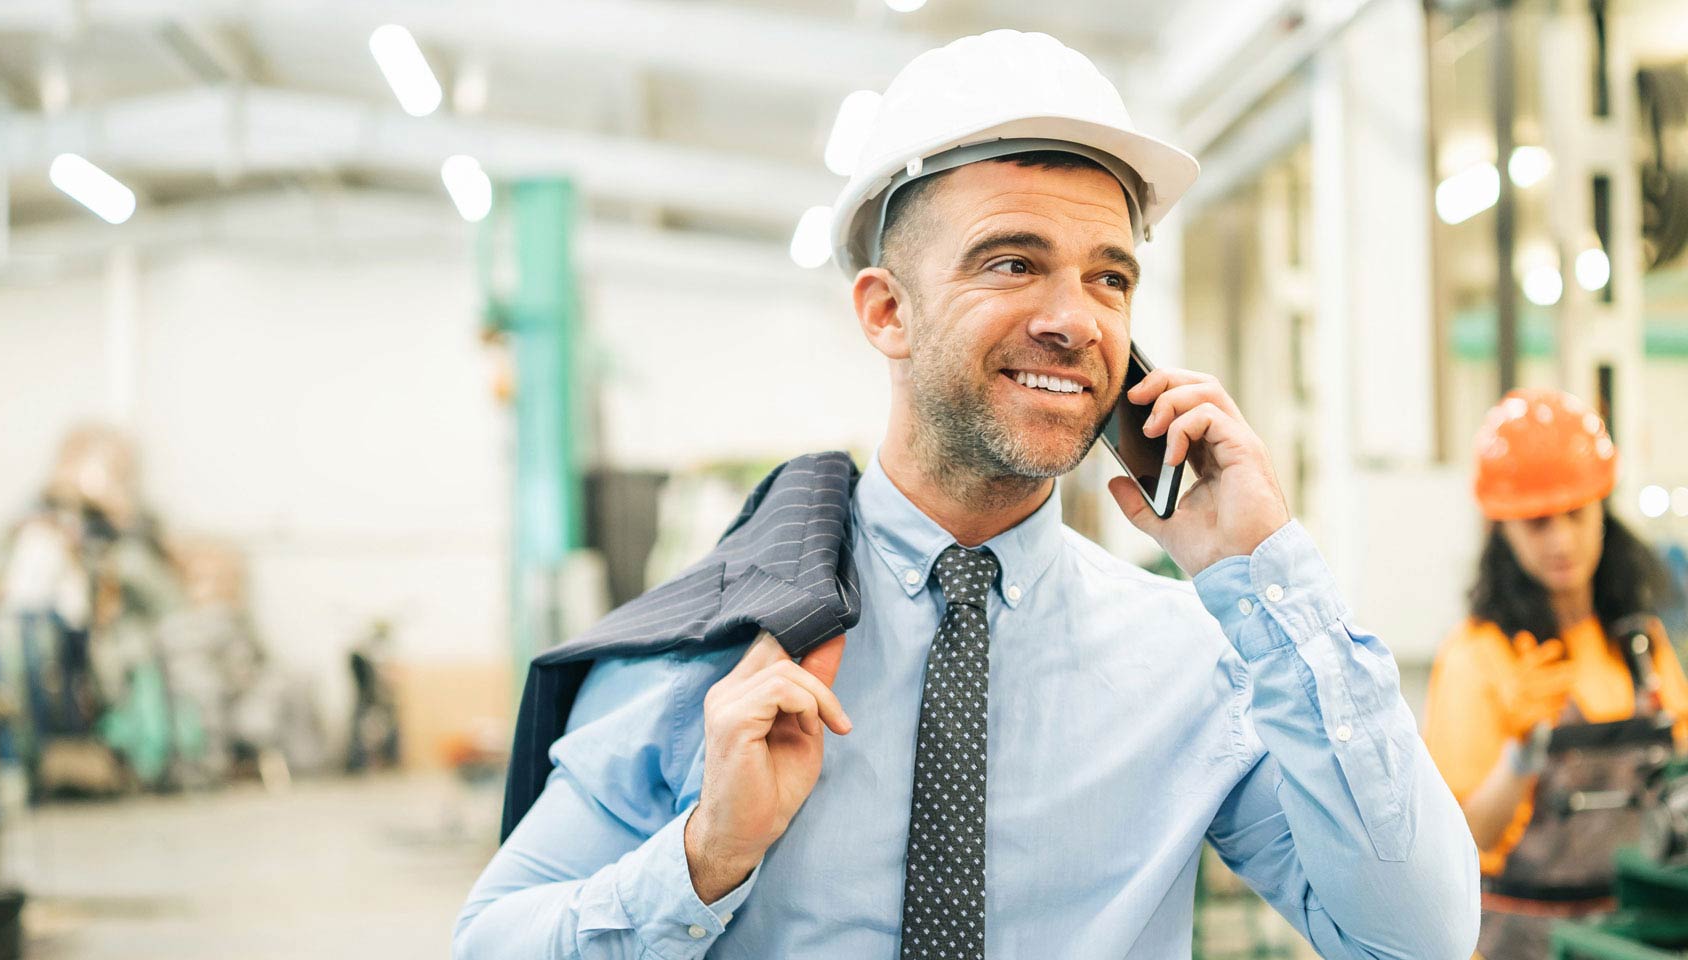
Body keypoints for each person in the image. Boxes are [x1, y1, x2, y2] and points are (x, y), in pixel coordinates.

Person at [455, 29, 1479, 959]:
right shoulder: (719, 649)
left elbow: (1415, 938)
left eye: (1110, 277)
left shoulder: (1201, 661)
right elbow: (493, 941)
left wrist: (1267, 573)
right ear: (886, 310)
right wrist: (704, 855)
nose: (1076, 321)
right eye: (1014, 261)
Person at [1423, 388, 1688, 958]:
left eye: (1575, 514)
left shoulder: (1640, 643)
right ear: (1504, 531)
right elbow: (1459, 846)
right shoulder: (1477, 657)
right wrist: (1521, 754)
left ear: (1602, 510)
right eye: (1537, 523)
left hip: (1632, 935)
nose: (1561, 541)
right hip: (1518, 941)